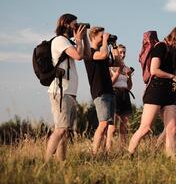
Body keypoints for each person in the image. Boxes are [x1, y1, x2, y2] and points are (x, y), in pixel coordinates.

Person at [128, 25, 176, 159]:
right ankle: (129, 155)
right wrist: (172, 77)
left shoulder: (175, 51)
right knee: (145, 128)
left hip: (169, 93)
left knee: (172, 129)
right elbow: (154, 70)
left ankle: (171, 159)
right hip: (155, 91)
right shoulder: (160, 46)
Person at [45, 13, 91, 161]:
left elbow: (87, 55)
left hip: (70, 92)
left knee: (65, 131)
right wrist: (78, 39)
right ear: (65, 24)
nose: (76, 27)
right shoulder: (59, 40)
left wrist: (84, 37)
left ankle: (61, 163)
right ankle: (46, 162)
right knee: (60, 129)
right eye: (74, 24)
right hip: (60, 91)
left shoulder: (69, 41)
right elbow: (78, 56)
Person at [84, 26, 116, 155]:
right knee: (103, 124)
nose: (104, 38)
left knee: (108, 126)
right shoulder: (90, 52)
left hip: (109, 91)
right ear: (94, 36)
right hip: (100, 92)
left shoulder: (102, 52)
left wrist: (113, 45)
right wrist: (105, 42)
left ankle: (102, 153)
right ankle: (94, 153)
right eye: (101, 36)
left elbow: (118, 63)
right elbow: (102, 55)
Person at [106, 44, 133, 151]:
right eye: (120, 52)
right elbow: (110, 83)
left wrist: (129, 76)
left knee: (124, 126)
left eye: (124, 52)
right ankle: (108, 150)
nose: (122, 54)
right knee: (112, 127)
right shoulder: (110, 66)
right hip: (114, 94)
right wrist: (118, 71)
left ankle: (122, 150)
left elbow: (129, 86)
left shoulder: (126, 67)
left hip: (125, 94)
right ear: (115, 53)